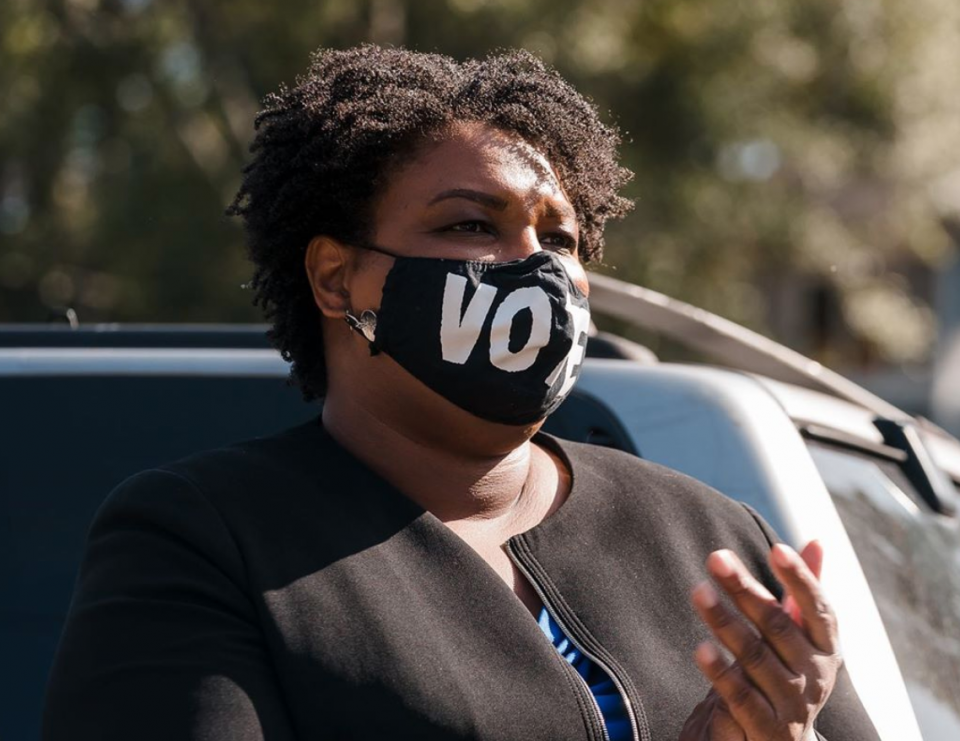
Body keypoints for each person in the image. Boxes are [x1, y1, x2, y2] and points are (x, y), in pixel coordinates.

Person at [42, 45, 879, 741]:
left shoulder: (712, 535)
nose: (535, 267)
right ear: (338, 278)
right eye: (471, 226)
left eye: (557, 235)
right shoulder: (206, 541)